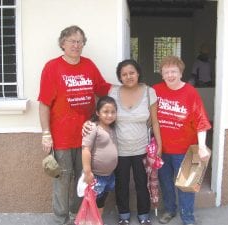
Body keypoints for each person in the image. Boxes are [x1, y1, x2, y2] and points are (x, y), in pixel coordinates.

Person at [38, 25, 111, 225]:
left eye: (80, 41)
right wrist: (46, 133)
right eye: (72, 41)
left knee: (83, 178)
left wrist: (131, 89)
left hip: (86, 135)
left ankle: (76, 215)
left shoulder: (88, 65)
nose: (76, 45)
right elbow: (44, 103)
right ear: (62, 44)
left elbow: (103, 89)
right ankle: (60, 219)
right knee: (62, 180)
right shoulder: (52, 67)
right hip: (61, 136)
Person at [83, 59, 162, 225]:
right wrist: (88, 123)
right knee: (121, 184)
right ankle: (124, 215)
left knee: (142, 183)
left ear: (138, 73)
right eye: (124, 74)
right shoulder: (113, 92)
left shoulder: (149, 92)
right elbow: (104, 114)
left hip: (142, 149)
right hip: (119, 150)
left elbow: (155, 121)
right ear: (120, 77)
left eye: (132, 72)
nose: (128, 76)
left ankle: (144, 215)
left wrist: (159, 145)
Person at [153, 56, 211, 225]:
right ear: (162, 74)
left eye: (174, 71)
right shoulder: (155, 90)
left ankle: (187, 217)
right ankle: (170, 210)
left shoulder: (190, 92)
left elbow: (201, 121)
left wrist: (202, 146)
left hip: (186, 150)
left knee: (187, 185)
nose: (170, 75)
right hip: (162, 149)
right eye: (166, 72)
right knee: (166, 183)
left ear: (181, 73)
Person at [81, 96, 118, 221]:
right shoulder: (93, 128)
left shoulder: (112, 128)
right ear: (97, 113)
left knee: (101, 201)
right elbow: (86, 150)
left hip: (110, 175)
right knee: (92, 202)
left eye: (113, 112)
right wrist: (87, 172)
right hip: (96, 176)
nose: (109, 115)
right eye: (105, 112)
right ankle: (91, 221)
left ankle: (97, 220)